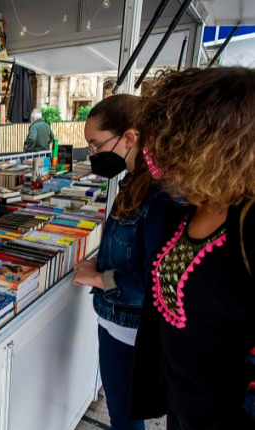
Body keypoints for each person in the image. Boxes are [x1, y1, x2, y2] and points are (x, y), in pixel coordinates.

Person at [129, 67, 255, 429]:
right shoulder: (192, 206)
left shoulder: (246, 222)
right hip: (182, 407)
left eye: (168, 141)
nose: (154, 156)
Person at [72, 95, 178, 430]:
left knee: (124, 418)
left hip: (130, 329)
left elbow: (157, 282)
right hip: (119, 323)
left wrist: (99, 278)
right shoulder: (135, 180)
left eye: (96, 144)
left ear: (129, 138)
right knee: (124, 413)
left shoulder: (158, 195)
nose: (93, 155)